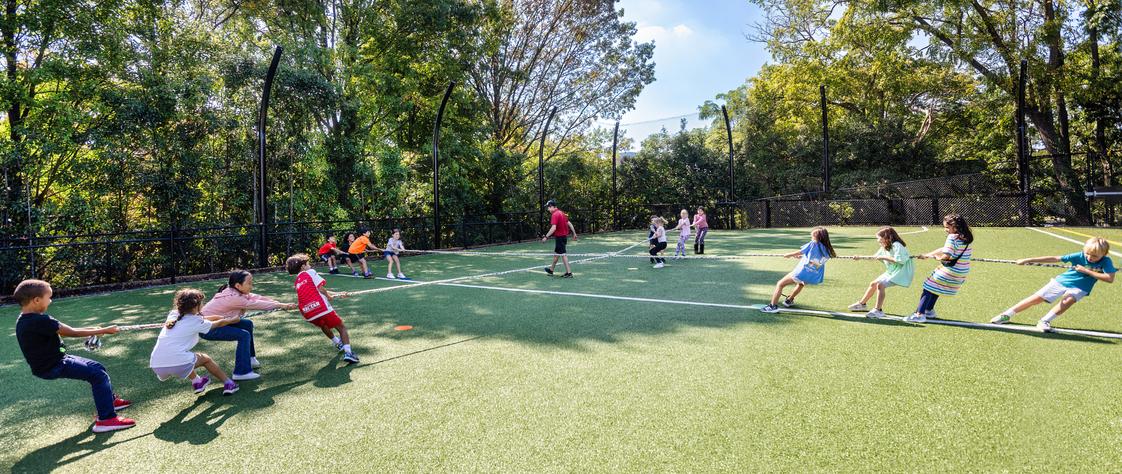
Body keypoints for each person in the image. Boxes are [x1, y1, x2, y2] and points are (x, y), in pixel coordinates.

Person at [13, 279, 135, 433]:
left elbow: (71, 329)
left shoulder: (25, 319)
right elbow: (73, 332)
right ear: (36, 300)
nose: (50, 301)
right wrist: (103, 330)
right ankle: (106, 419)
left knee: (97, 367)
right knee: (98, 376)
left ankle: (108, 401)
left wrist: (97, 329)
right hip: (53, 366)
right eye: (48, 297)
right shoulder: (40, 320)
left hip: (54, 361)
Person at [991, 237, 1115, 332]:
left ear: (1104, 254)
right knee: (1036, 299)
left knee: (1068, 301)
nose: (1089, 257)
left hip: (1081, 287)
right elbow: (1055, 258)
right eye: (1087, 253)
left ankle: (1044, 321)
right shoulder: (1079, 255)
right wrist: (1028, 260)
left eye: (1094, 256)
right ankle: (1006, 315)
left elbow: (1109, 278)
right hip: (1062, 281)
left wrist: (1086, 271)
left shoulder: (1106, 261)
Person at [200, 270, 298, 380]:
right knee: (244, 335)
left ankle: (250, 359)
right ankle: (241, 372)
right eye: (249, 283)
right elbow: (256, 304)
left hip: (218, 323)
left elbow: (257, 298)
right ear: (238, 285)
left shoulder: (235, 291)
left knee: (247, 324)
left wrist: (280, 304)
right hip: (207, 329)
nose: (252, 286)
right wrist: (280, 305)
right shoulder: (234, 298)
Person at [150, 289, 241, 396]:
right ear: (195, 306)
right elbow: (218, 324)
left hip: (157, 366)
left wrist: (220, 317)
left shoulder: (173, 315)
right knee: (205, 359)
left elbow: (202, 319)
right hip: (178, 363)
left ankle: (197, 382)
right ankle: (229, 383)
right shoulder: (196, 322)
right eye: (201, 303)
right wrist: (232, 319)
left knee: (188, 357)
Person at [286, 253, 360, 363]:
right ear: (302, 267)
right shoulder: (310, 273)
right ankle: (348, 353)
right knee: (341, 327)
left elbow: (316, 290)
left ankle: (337, 343)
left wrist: (339, 294)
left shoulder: (297, 280)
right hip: (320, 307)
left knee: (323, 324)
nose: (310, 265)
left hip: (307, 313)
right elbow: (321, 289)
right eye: (307, 264)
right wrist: (329, 296)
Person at [907, 214, 974, 323]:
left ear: (955, 227)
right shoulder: (965, 237)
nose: (945, 230)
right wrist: (927, 255)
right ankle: (929, 310)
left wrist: (937, 257)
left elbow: (946, 255)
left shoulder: (952, 237)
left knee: (928, 287)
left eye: (947, 227)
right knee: (935, 286)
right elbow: (944, 248)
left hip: (951, 270)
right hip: (962, 271)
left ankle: (919, 314)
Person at [761, 227, 837, 313]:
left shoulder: (813, 243)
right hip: (812, 275)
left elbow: (801, 251)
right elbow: (816, 261)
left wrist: (789, 255)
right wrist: (803, 258)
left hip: (801, 273)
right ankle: (789, 300)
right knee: (800, 284)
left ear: (817, 236)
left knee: (780, 284)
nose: (811, 234)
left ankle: (773, 306)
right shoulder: (827, 249)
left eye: (813, 233)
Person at [847, 226, 915, 318]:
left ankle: (878, 310)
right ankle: (862, 304)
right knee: (873, 284)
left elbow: (900, 260)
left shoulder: (897, 245)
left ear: (886, 238)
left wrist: (883, 257)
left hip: (901, 272)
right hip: (892, 271)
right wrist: (859, 257)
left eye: (879, 238)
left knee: (880, 285)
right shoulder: (885, 247)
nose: (878, 240)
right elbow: (874, 257)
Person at [542, 199, 577, 278]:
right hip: (563, 237)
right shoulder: (562, 213)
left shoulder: (554, 215)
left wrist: (546, 237)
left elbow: (553, 228)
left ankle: (569, 273)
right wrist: (574, 233)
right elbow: (569, 223)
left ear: (552, 207)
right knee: (557, 254)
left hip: (560, 238)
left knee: (563, 255)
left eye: (548, 207)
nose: (548, 209)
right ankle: (551, 270)